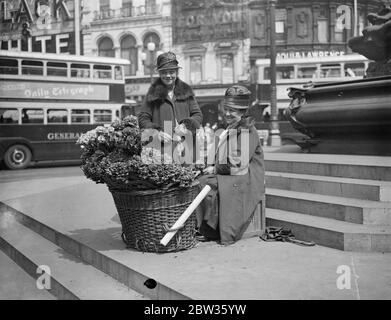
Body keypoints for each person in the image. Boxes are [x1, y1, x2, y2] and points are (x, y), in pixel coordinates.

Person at [196, 85, 265, 245]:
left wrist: (215, 168)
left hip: (246, 175)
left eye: (232, 111)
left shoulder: (248, 130)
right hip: (232, 172)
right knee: (202, 180)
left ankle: (214, 229)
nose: (227, 113)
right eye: (226, 109)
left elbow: (239, 161)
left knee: (207, 183)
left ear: (242, 112)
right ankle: (209, 227)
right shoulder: (231, 128)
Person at [138, 51, 203, 162]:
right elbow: (143, 118)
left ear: (176, 72)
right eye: (164, 72)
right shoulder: (152, 94)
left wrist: (186, 125)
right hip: (161, 151)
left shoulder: (186, 91)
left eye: (171, 72)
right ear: (159, 73)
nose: (168, 76)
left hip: (186, 149)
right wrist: (156, 133)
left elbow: (197, 114)